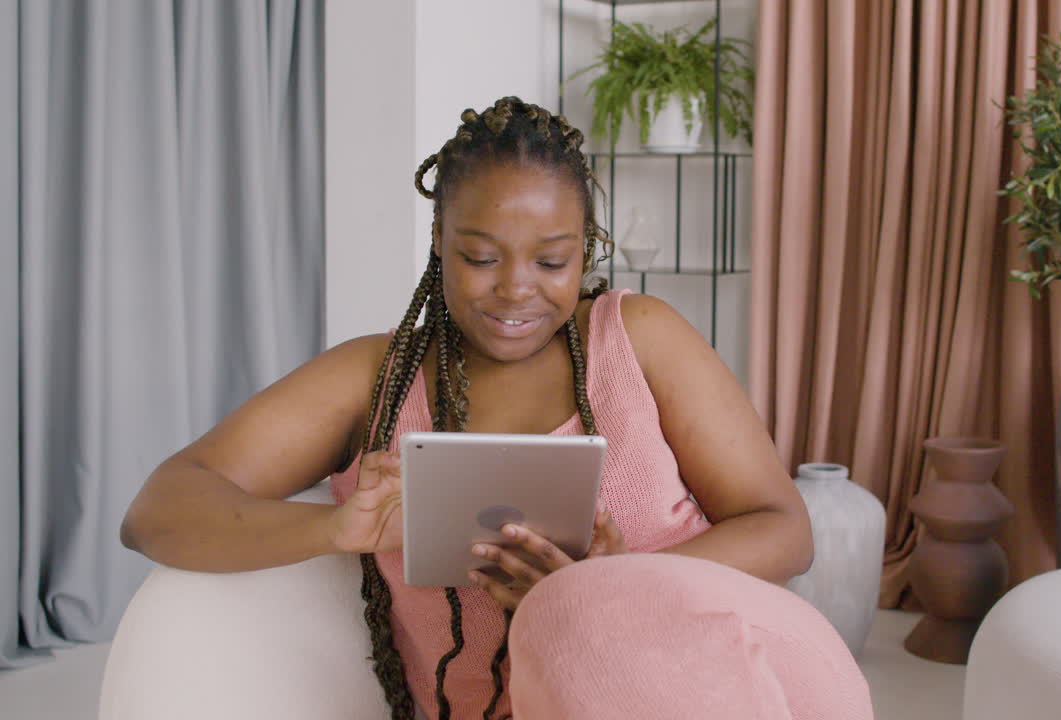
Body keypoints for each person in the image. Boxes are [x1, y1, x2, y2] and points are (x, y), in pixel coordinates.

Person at [121, 97, 872, 720]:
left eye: (552, 262)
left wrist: (618, 586)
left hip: (704, 684)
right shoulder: (374, 378)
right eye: (481, 257)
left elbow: (784, 529)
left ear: (587, 250)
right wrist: (332, 528)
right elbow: (158, 511)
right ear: (440, 245)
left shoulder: (639, 339)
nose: (517, 289)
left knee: (583, 622)